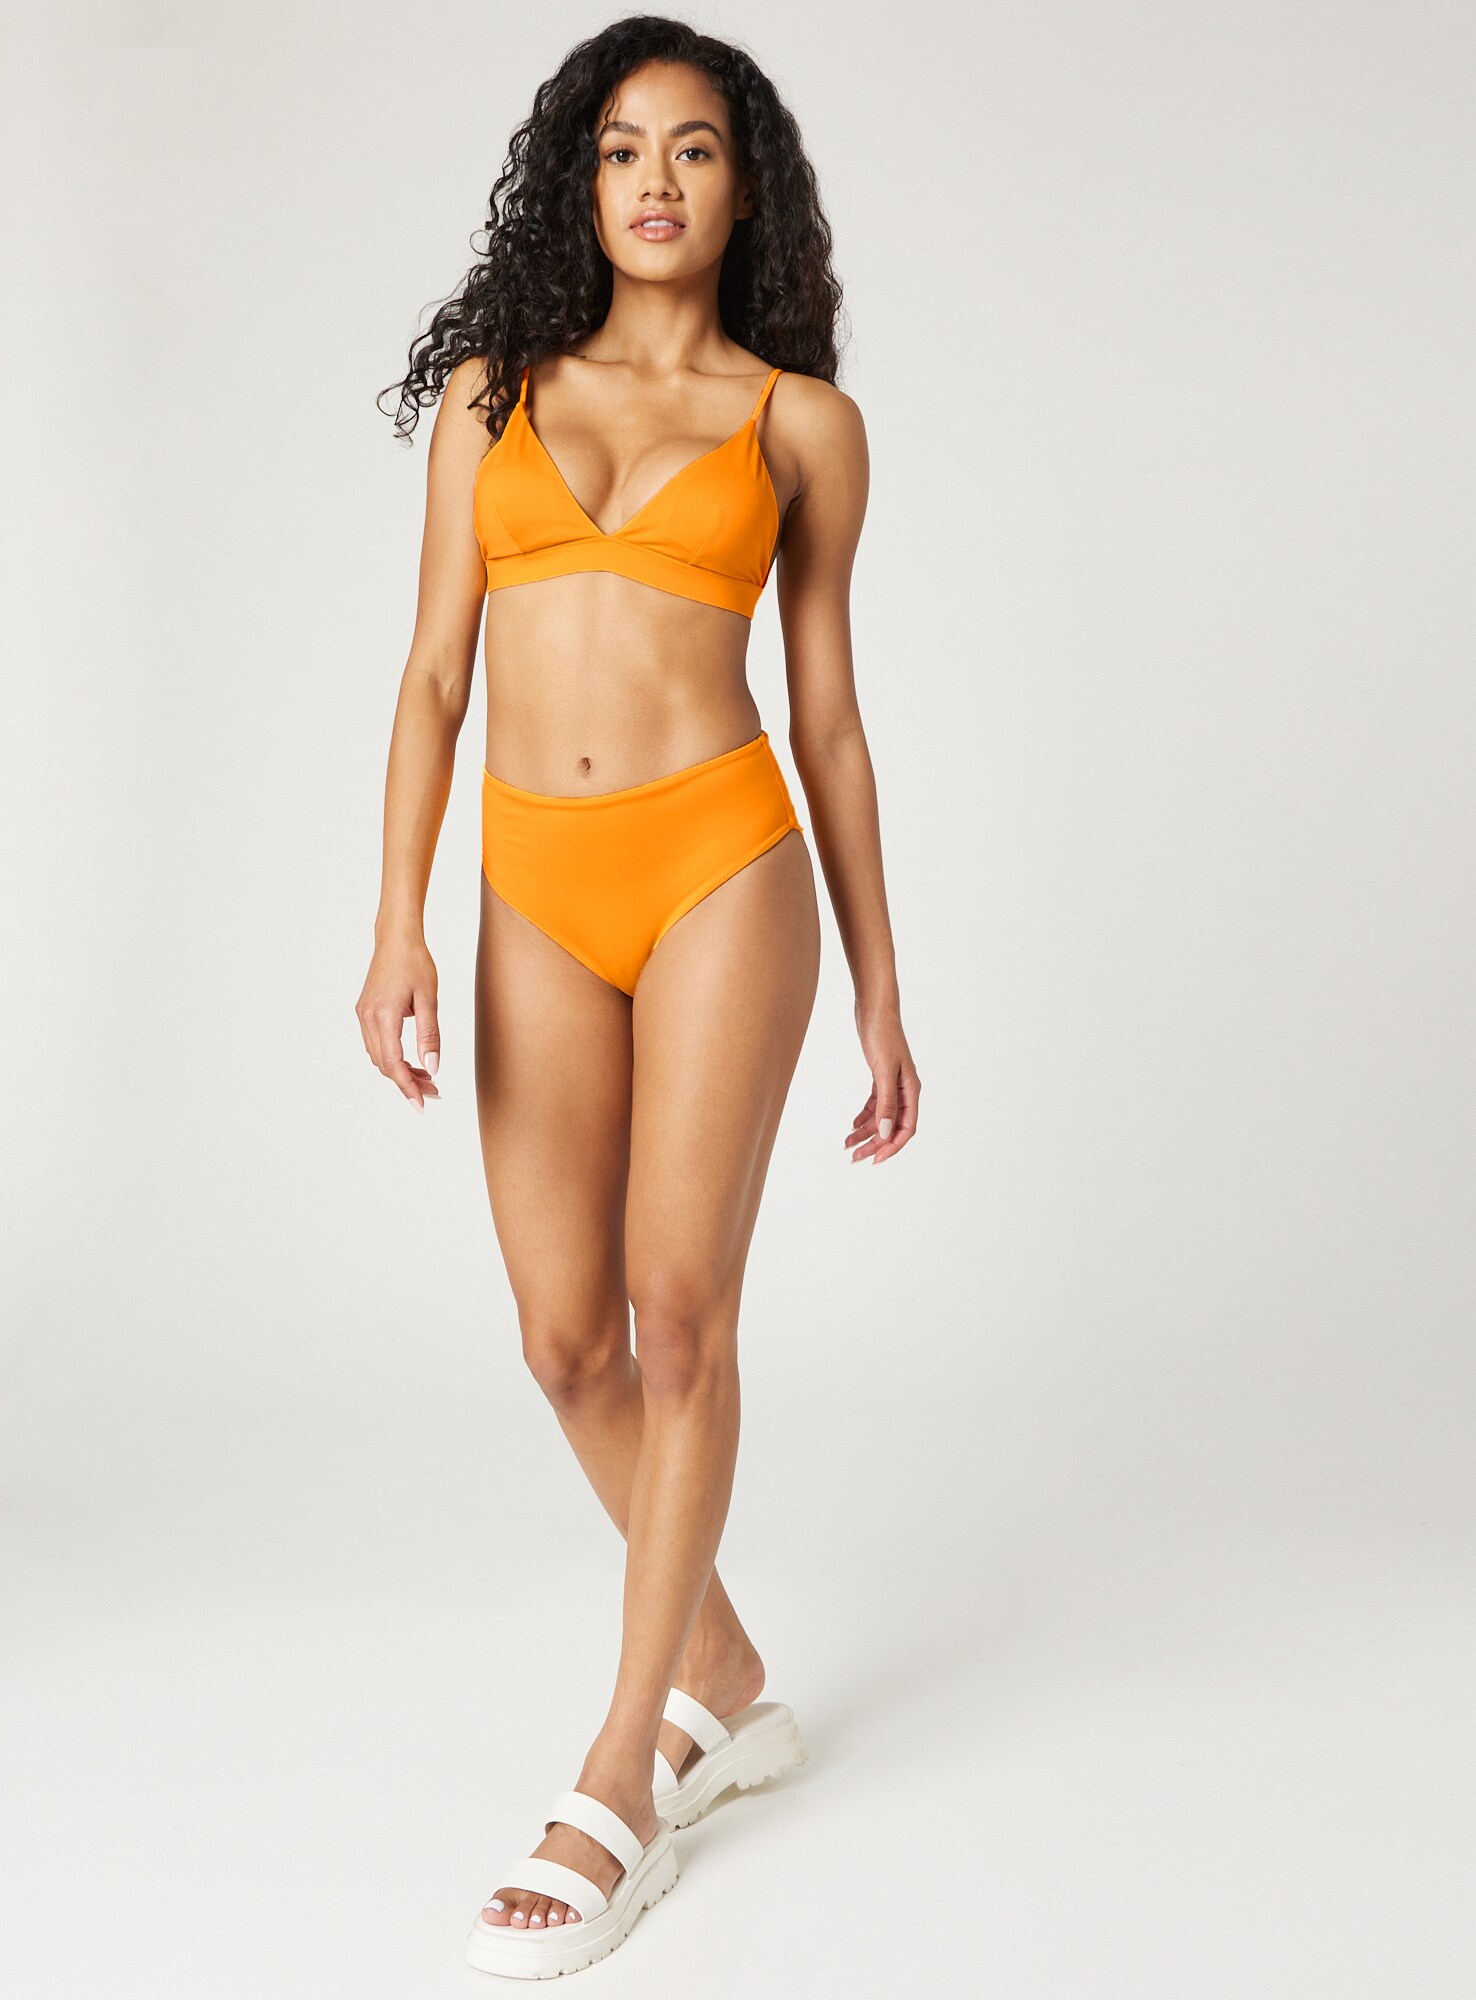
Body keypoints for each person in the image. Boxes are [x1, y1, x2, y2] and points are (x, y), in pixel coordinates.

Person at [358, 14, 919, 1979]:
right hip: (531, 889)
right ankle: (729, 1673)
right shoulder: (493, 394)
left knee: (679, 1319)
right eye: (618, 149)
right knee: (563, 1336)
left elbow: (829, 722)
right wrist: (398, 922)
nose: (655, 179)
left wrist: (883, 991)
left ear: (745, 187)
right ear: (578, 185)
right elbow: (435, 675)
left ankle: (625, 1770)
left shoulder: (801, 424)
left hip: (720, 873)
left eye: (693, 148)